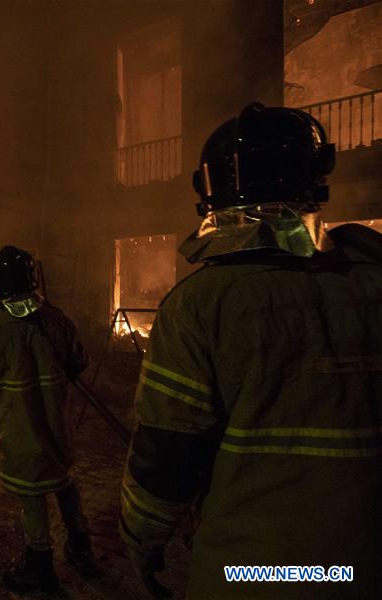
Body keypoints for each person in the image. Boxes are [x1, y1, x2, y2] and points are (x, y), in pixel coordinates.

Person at [120, 103, 382, 599]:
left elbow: (166, 457)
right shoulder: (372, 283)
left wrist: (142, 542)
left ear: (210, 191)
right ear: (316, 177)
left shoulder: (201, 304)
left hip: (252, 571)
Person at [0, 245, 99, 594]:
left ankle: (39, 566)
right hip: (57, 427)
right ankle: (81, 548)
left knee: (31, 492)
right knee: (64, 481)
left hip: (20, 430)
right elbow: (78, 362)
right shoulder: (58, 320)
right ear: (32, 278)